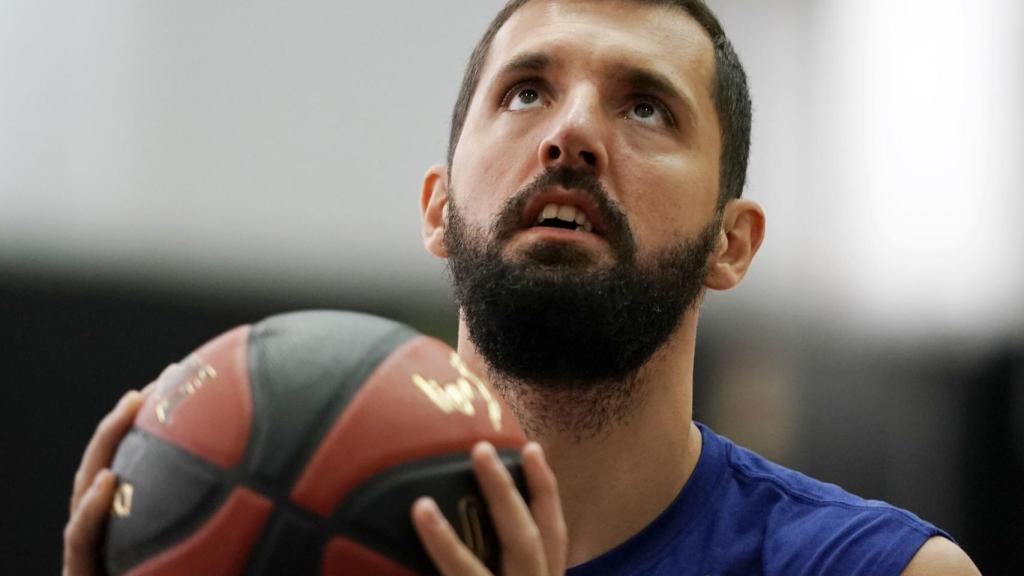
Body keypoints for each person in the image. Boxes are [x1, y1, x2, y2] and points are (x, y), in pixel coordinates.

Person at [64, 1, 982, 574]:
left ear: (730, 244)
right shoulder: (257, 542)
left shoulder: (878, 570)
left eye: (645, 106)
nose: (571, 135)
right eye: (527, 91)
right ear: (438, 206)